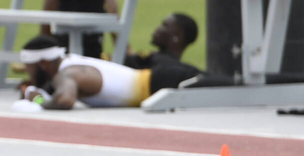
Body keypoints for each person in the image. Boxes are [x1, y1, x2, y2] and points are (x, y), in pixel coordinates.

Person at [18, 33, 199, 110]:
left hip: (159, 83)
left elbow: (65, 100)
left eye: (29, 67)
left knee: (224, 88)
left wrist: (39, 100)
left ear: (42, 63)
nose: (28, 72)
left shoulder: (66, 73)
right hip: (158, 78)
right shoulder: (70, 63)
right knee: (222, 85)